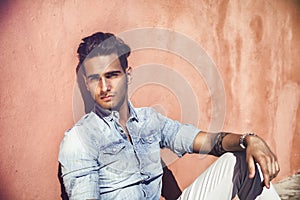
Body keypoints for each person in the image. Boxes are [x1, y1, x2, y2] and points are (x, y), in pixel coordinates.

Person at [58, 32, 281, 200]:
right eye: (95, 78)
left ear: (128, 75)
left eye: (112, 75)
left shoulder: (150, 121)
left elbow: (208, 142)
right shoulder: (79, 140)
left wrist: (248, 140)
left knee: (242, 160)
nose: (104, 87)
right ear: (86, 84)